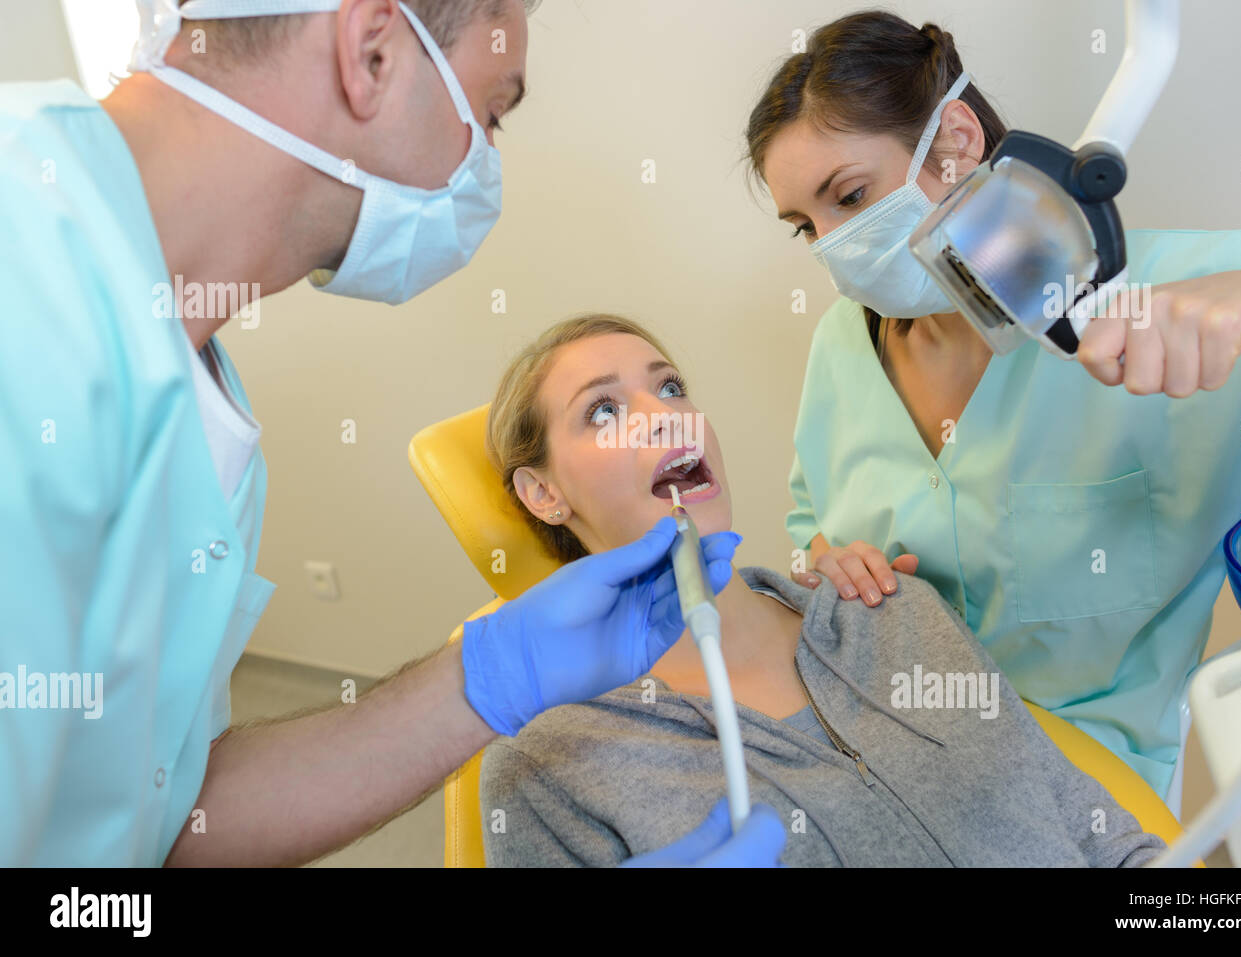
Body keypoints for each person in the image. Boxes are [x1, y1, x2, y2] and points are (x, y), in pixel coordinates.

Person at [0, 0, 781, 866]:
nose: (485, 167)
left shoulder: (203, 405)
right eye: (489, 114)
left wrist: (484, 681)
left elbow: (167, 819)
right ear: (372, 52)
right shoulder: (23, 255)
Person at [743, 10, 1241, 807]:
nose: (834, 251)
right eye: (808, 227)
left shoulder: (1177, 300)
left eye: (851, 196)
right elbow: (812, 534)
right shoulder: (843, 343)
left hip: (1086, 808)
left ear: (956, 140)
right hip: (881, 778)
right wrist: (829, 566)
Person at [476, 313, 1165, 866]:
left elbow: (1091, 828)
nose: (667, 416)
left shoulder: (886, 611)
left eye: (673, 387)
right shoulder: (547, 767)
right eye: (602, 411)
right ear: (544, 494)